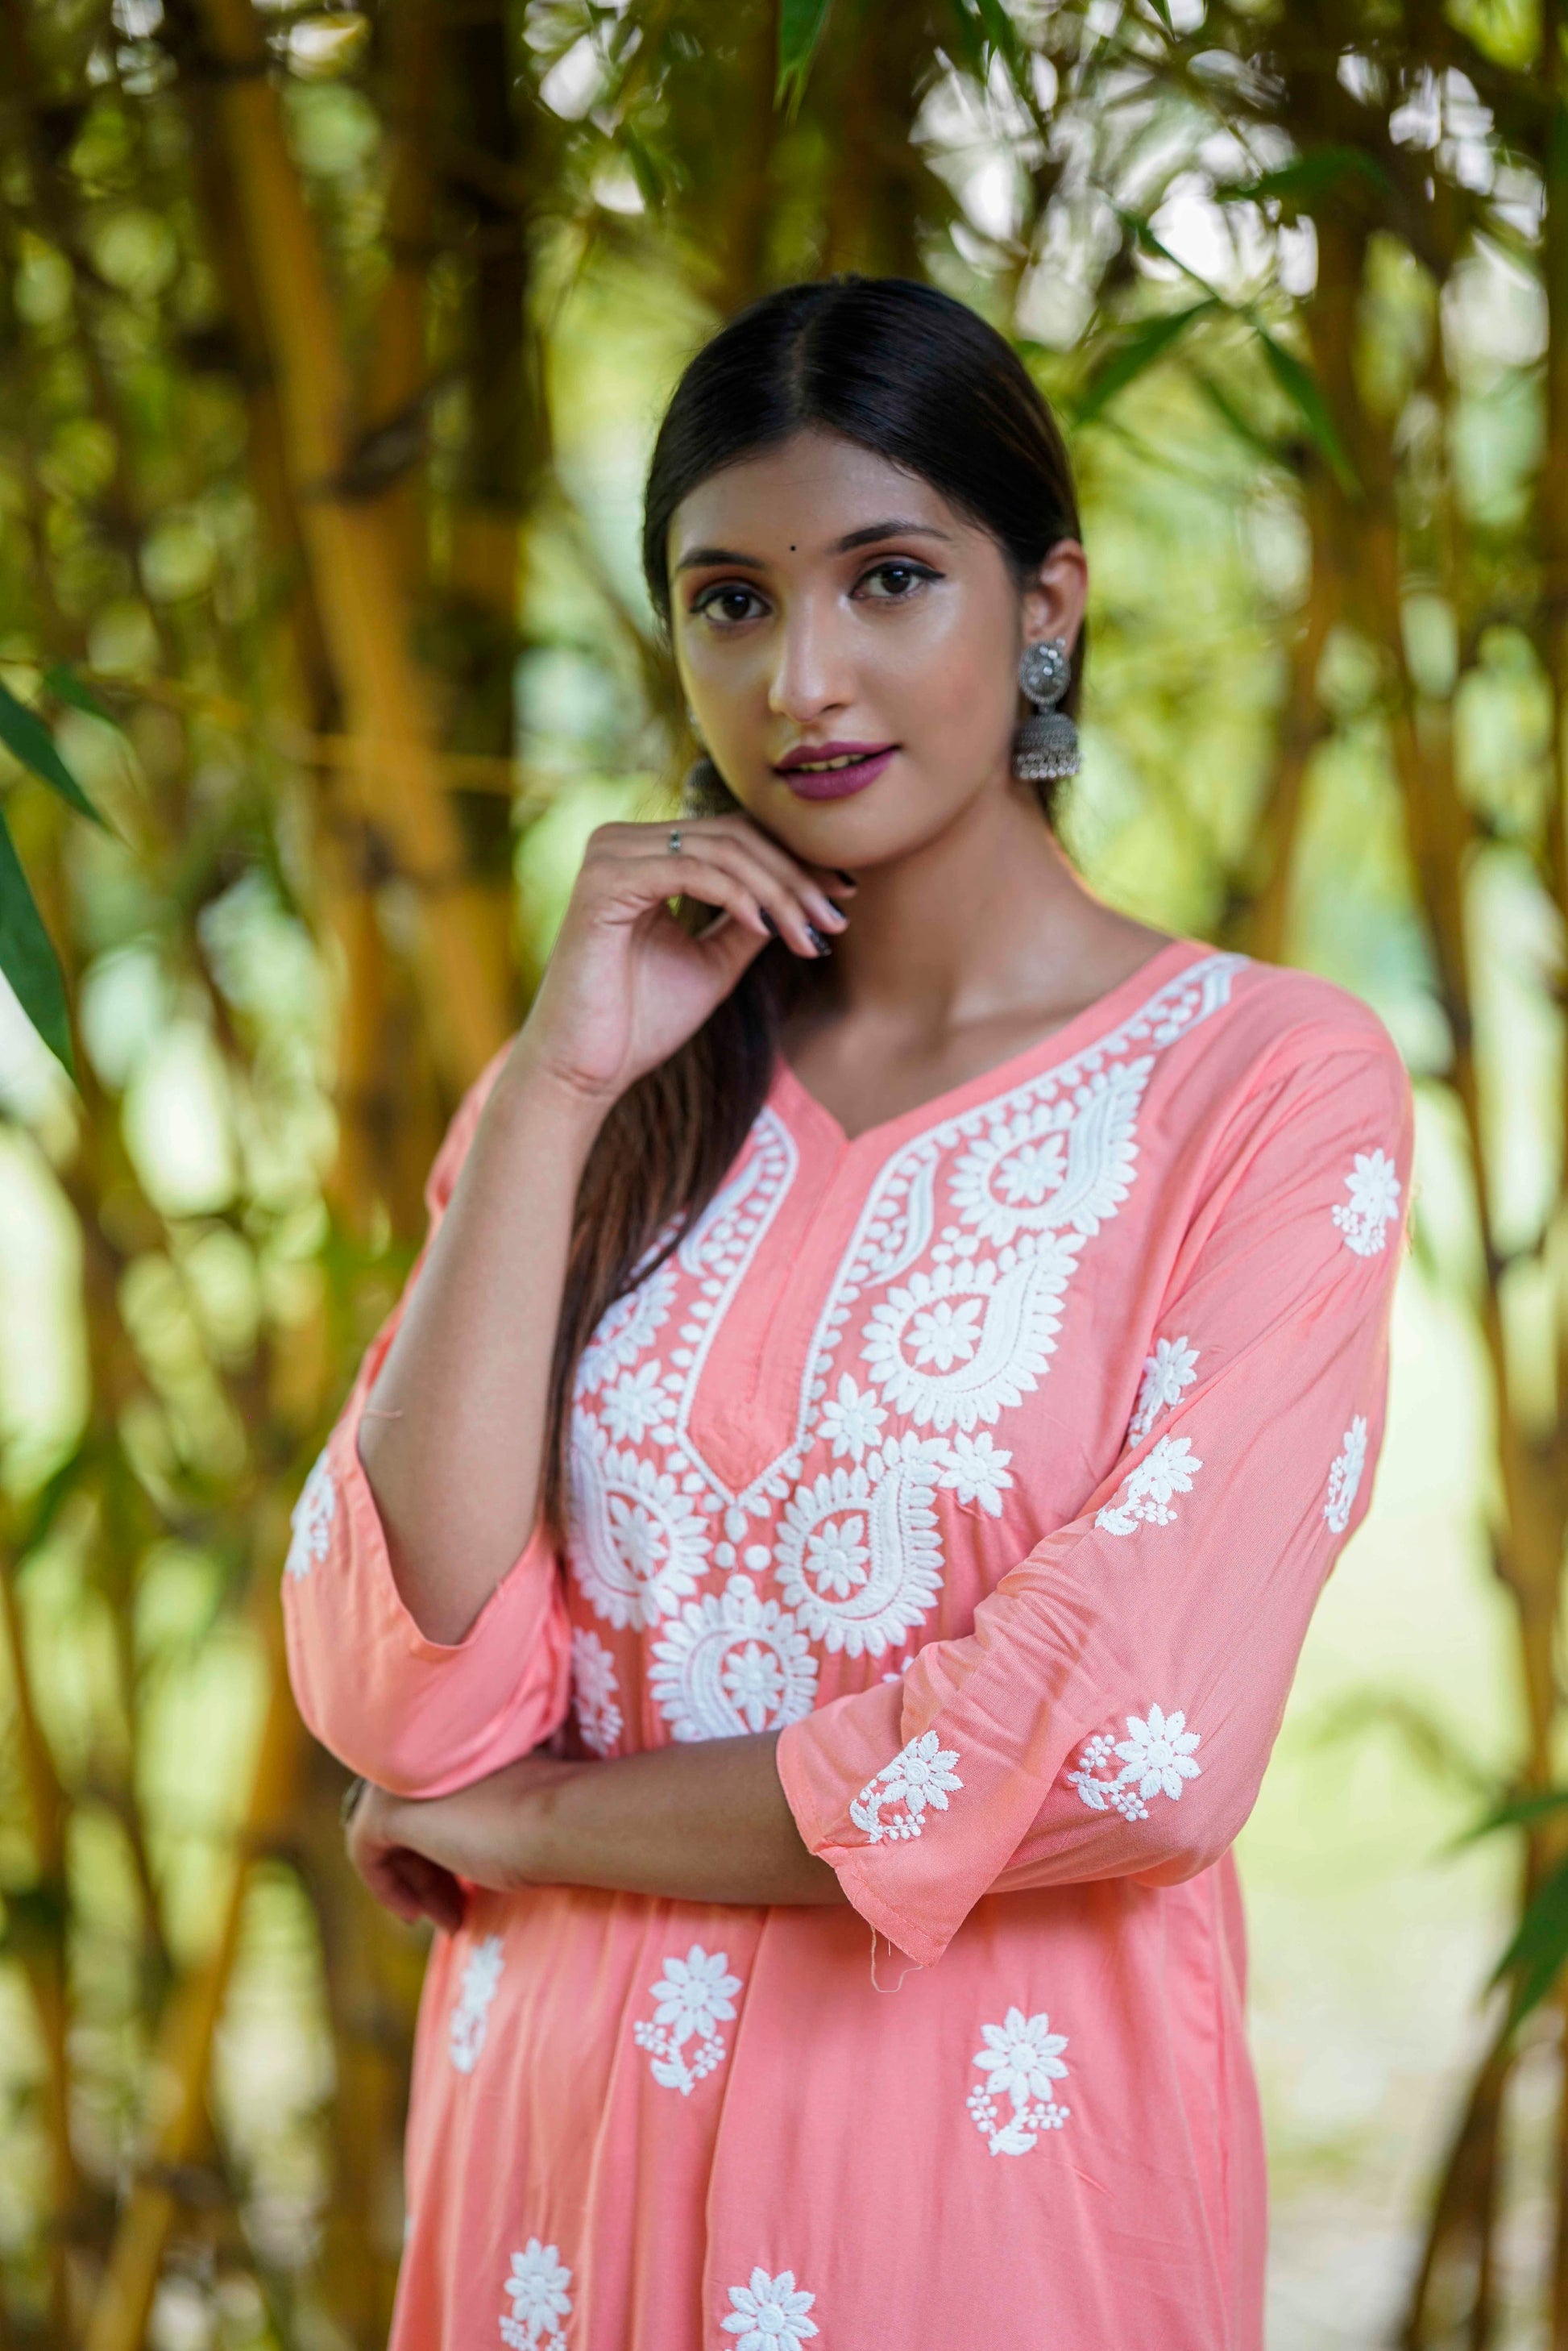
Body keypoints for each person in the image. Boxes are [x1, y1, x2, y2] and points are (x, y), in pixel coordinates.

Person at [282, 276, 1412, 2351]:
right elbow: (403, 1691)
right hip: (554, 2171)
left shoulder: (1261, 1088)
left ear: (1045, 605)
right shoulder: (595, 1092)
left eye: (888, 578)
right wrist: (551, 1088)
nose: (802, 677)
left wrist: (533, 1820)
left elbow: (1130, 1743)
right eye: (730, 601)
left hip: (980, 2194)